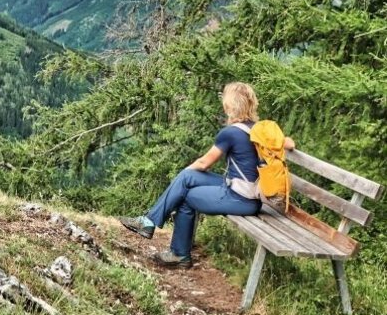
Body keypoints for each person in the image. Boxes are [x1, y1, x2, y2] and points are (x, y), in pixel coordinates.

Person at [117, 82, 295, 268]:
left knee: (186, 194)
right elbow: (288, 143)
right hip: (250, 194)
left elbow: (204, 163)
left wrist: (183, 175)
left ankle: (179, 254)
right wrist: (184, 177)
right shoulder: (260, 130)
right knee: (187, 179)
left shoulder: (230, 133)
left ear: (229, 106)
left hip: (240, 198)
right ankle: (149, 222)